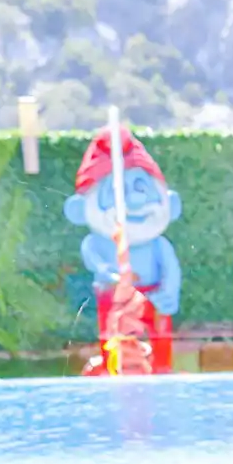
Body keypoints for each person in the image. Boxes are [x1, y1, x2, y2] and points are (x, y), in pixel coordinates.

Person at [63, 126, 182, 374]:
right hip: (113, 297)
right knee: (113, 333)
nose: (134, 201)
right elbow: (97, 264)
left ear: (171, 204)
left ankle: (161, 366)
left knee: (159, 333)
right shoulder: (96, 243)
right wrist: (114, 276)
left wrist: (169, 292)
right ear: (78, 210)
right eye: (117, 192)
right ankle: (112, 365)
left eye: (141, 188)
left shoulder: (159, 246)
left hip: (154, 296)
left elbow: (171, 271)